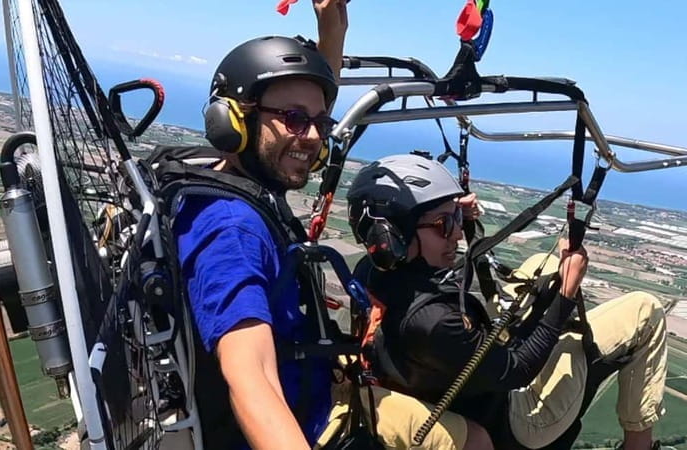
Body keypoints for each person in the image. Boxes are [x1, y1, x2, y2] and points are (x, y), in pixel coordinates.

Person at [168, 2, 494, 449]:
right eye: (296, 120)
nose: (316, 136)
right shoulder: (231, 230)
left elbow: (304, 108)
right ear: (235, 121)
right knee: (473, 440)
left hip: (312, 384)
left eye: (321, 122)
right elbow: (251, 376)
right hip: (309, 418)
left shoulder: (228, 176)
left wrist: (332, 26)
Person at [345, 151, 668, 449]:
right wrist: (566, 294)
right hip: (515, 420)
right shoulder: (435, 323)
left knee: (545, 262)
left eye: (456, 217)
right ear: (396, 235)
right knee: (644, 309)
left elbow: (445, 287)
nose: (457, 233)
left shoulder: (375, 272)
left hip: (458, 386)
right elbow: (517, 371)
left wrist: (459, 217)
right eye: (445, 224)